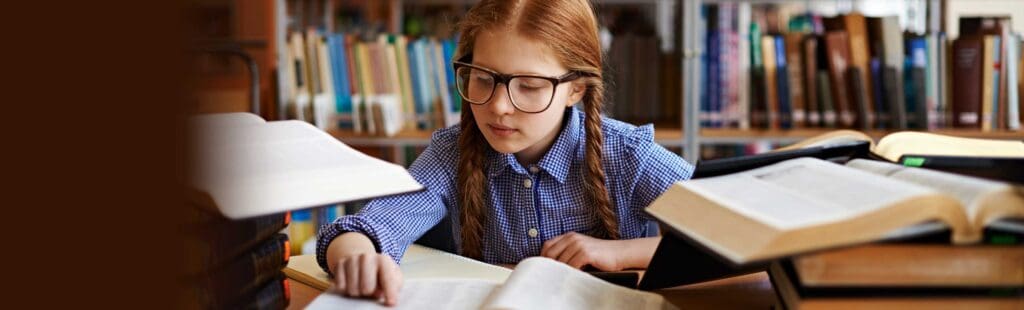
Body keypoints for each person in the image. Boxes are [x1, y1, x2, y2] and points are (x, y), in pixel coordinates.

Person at [317, 0, 693, 305]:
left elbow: (738, 232)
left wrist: (621, 253)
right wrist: (357, 258)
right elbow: (367, 227)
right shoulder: (452, 154)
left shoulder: (626, 153)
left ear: (576, 90)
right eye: (483, 79)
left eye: (528, 86)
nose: (498, 107)